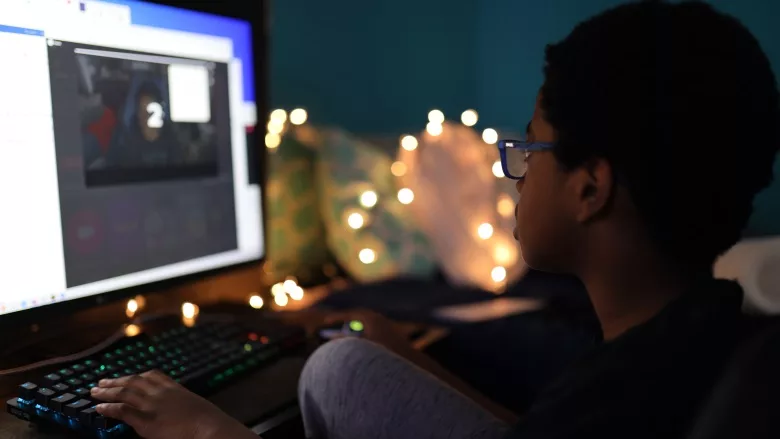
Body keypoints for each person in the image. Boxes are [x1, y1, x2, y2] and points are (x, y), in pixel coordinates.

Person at [88, 2, 780, 438]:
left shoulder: (629, 390)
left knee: (335, 370)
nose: (516, 172)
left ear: (590, 186)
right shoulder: (697, 341)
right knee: (350, 361)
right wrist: (411, 357)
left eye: (529, 147)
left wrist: (206, 429)